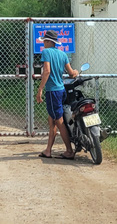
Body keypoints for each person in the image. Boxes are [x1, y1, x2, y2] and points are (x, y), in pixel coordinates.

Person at [36, 29, 78, 159]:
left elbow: (46, 71)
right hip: (61, 90)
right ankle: (48, 150)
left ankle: (69, 151)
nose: (43, 44)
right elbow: (71, 73)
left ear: (49, 41)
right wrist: (76, 72)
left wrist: (40, 89)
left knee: (58, 121)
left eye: (44, 41)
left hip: (52, 91)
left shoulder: (46, 52)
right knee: (52, 120)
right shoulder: (62, 54)